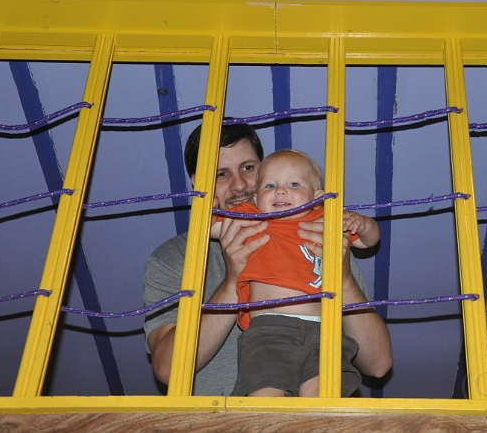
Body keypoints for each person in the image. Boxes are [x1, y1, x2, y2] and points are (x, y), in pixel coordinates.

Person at [143, 123, 392, 396]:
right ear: (198, 183)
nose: (239, 184)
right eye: (221, 174)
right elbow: (169, 370)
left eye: (248, 168)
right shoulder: (173, 258)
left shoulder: (321, 238)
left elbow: (378, 364)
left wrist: (342, 278)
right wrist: (233, 280)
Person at [226, 149, 381, 397]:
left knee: (321, 395)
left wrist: (362, 224)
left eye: (294, 184)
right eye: (270, 186)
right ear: (255, 198)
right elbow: (212, 227)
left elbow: (367, 241)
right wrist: (209, 209)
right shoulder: (251, 217)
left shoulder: (325, 220)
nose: (280, 191)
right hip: (269, 328)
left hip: (324, 328)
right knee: (264, 394)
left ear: (317, 197)